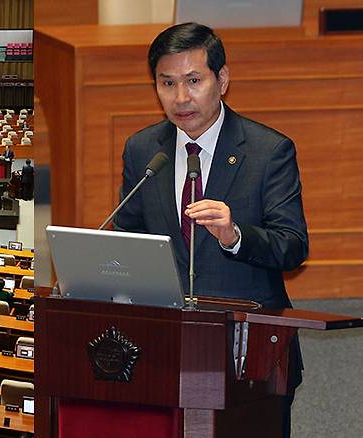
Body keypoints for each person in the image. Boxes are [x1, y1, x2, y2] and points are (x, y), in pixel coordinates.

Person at [113, 23, 308, 438]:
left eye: (194, 81)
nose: (180, 97)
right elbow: (128, 236)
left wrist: (236, 235)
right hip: (166, 345)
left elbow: (292, 248)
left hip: (249, 349)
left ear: (222, 79)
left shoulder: (269, 151)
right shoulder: (143, 149)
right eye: (167, 83)